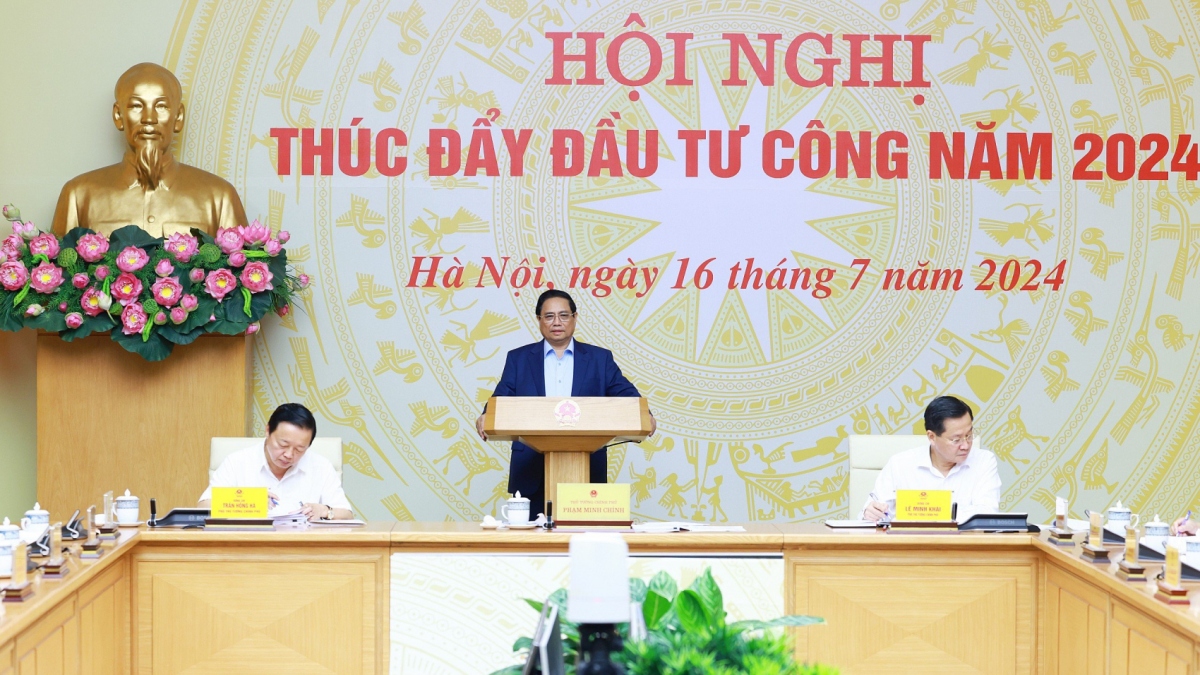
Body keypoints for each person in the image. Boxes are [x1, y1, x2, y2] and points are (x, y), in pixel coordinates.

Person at [475, 289, 655, 511]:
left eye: (563, 315)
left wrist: (645, 416)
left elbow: (625, 392)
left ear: (575, 317)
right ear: (539, 320)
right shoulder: (519, 358)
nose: (557, 322)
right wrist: (486, 415)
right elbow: (502, 396)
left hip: (586, 467)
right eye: (549, 316)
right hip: (531, 469)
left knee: (582, 533)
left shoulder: (599, 359)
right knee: (531, 532)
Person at [52, 62, 248, 237]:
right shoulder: (79, 196)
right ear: (118, 116)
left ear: (178, 117)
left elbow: (243, 264)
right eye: (136, 106)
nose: (148, 119)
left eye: (161, 106)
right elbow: (59, 264)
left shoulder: (219, 198)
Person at [199, 403, 352, 521]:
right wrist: (246, 501)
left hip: (303, 547)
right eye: (283, 445)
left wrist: (324, 511)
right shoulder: (238, 462)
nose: (289, 455)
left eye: (299, 449)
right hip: (249, 545)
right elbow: (203, 507)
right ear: (268, 431)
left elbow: (347, 514)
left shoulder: (321, 466)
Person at [860, 395, 1000, 523]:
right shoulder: (900, 464)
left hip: (964, 542)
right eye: (956, 440)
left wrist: (932, 511)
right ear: (932, 437)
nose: (966, 445)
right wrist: (870, 513)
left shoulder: (984, 461)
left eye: (969, 435)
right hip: (910, 542)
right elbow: (870, 513)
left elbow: (987, 513)